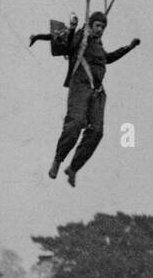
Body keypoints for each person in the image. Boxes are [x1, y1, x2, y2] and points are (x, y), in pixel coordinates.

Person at [43, 11, 139, 185]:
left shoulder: (98, 46)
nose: (100, 30)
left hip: (97, 93)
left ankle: (73, 168)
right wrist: (74, 28)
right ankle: (58, 159)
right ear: (91, 25)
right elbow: (69, 46)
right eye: (97, 26)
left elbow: (108, 58)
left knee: (96, 132)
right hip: (80, 86)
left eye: (103, 27)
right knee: (76, 123)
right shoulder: (82, 38)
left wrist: (128, 48)